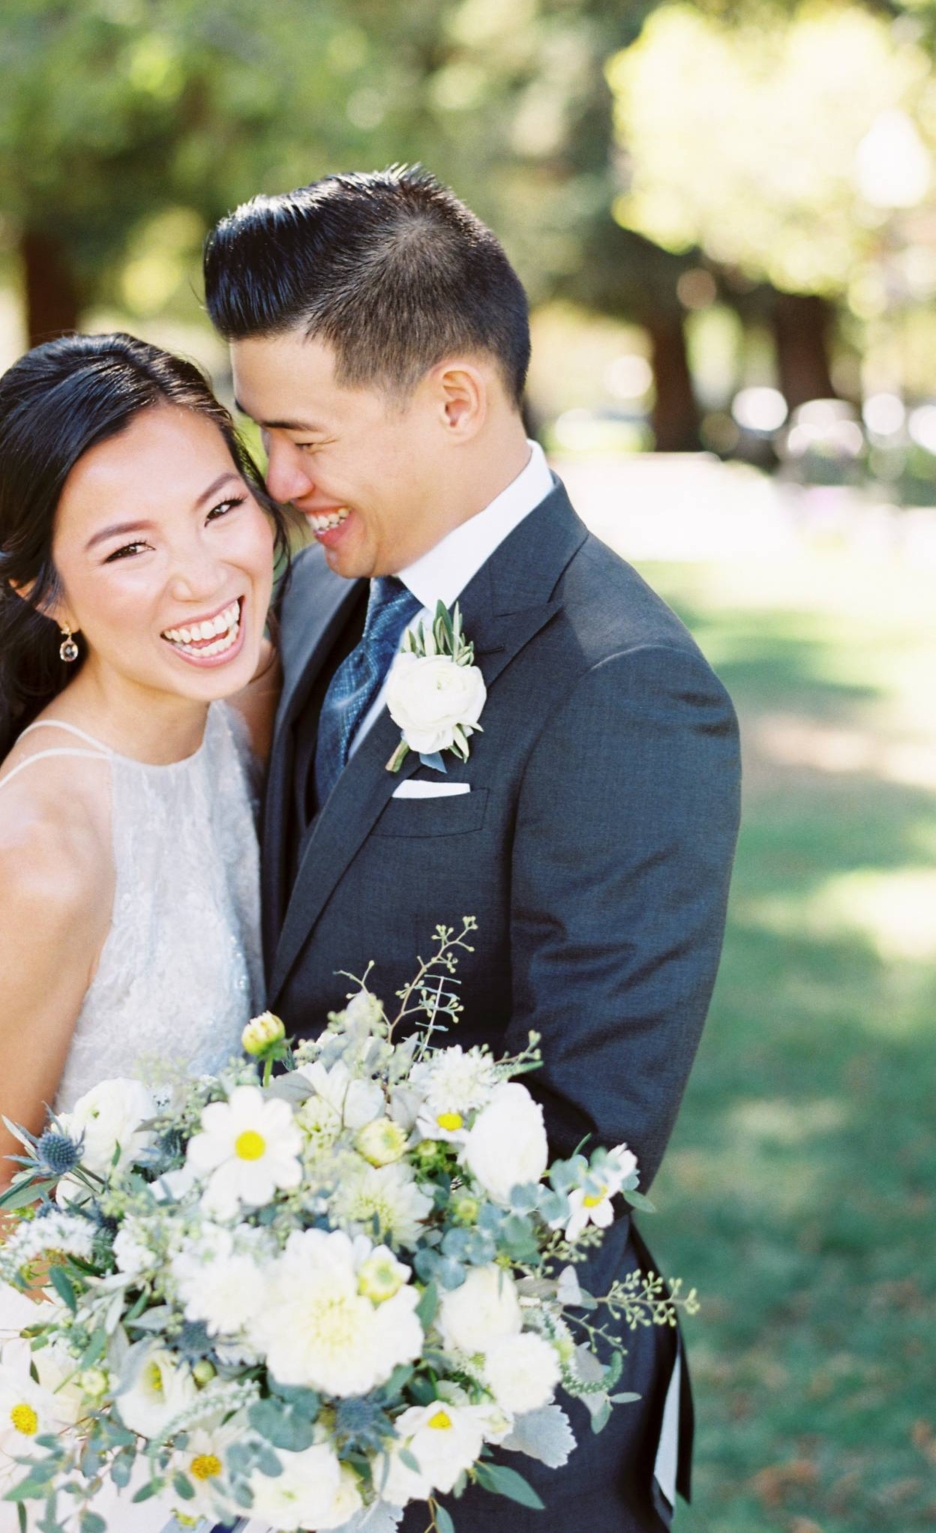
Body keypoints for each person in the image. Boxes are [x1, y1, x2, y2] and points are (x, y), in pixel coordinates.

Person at [203, 165, 742, 1532]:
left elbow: (584, 1139)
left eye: (306, 434)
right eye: (265, 433)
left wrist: (305, 1298)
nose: (281, 480)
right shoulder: (328, 578)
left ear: (455, 398)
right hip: (260, 1402)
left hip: (485, 1437)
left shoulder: (623, 683)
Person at [0, 333, 284, 1531]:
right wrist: (191, 1333)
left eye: (221, 507)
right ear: (42, 588)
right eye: (129, 548)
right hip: (107, 1437)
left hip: (270, 1408)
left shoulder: (246, 691)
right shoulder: (49, 852)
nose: (203, 577)